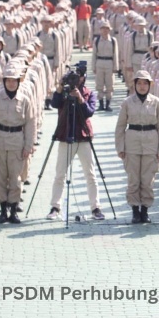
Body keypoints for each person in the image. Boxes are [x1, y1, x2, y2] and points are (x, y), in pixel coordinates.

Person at [46, 62, 104, 221]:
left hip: (83, 136)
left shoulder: (88, 93)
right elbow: (54, 104)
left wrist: (79, 99)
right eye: (73, 78)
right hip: (65, 136)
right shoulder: (64, 92)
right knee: (60, 174)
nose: (75, 81)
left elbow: (89, 112)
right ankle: (55, 207)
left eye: (77, 78)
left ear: (83, 78)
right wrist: (59, 88)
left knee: (90, 174)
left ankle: (96, 208)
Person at [114, 70, 159, 224]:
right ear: (135, 84)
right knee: (133, 179)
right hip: (132, 143)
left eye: (145, 83)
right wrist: (120, 147)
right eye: (139, 83)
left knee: (148, 179)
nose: (142, 86)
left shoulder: (157, 103)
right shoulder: (127, 102)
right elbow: (120, 127)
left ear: (150, 85)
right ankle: (135, 211)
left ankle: (145, 210)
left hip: (151, 142)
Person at [0, 67, 36, 224]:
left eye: (14, 80)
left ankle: (13, 210)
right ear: (4, 81)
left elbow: (30, 123)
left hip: (17, 142)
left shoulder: (25, 100)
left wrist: (28, 146)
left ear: (19, 82)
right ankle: (2, 211)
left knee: (15, 178)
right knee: (0, 178)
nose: (11, 83)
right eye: (8, 80)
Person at [92, 20, 119, 111]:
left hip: (109, 63)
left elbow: (115, 54)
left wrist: (116, 67)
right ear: (100, 30)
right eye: (103, 28)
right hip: (99, 62)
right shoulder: (97, 40)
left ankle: (107, 104)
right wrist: (93, 66)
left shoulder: (113, 40)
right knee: (99, 84)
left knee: (109, 84)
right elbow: (94, 54)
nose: (105, 30)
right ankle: (100, 104)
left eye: (107, 28)